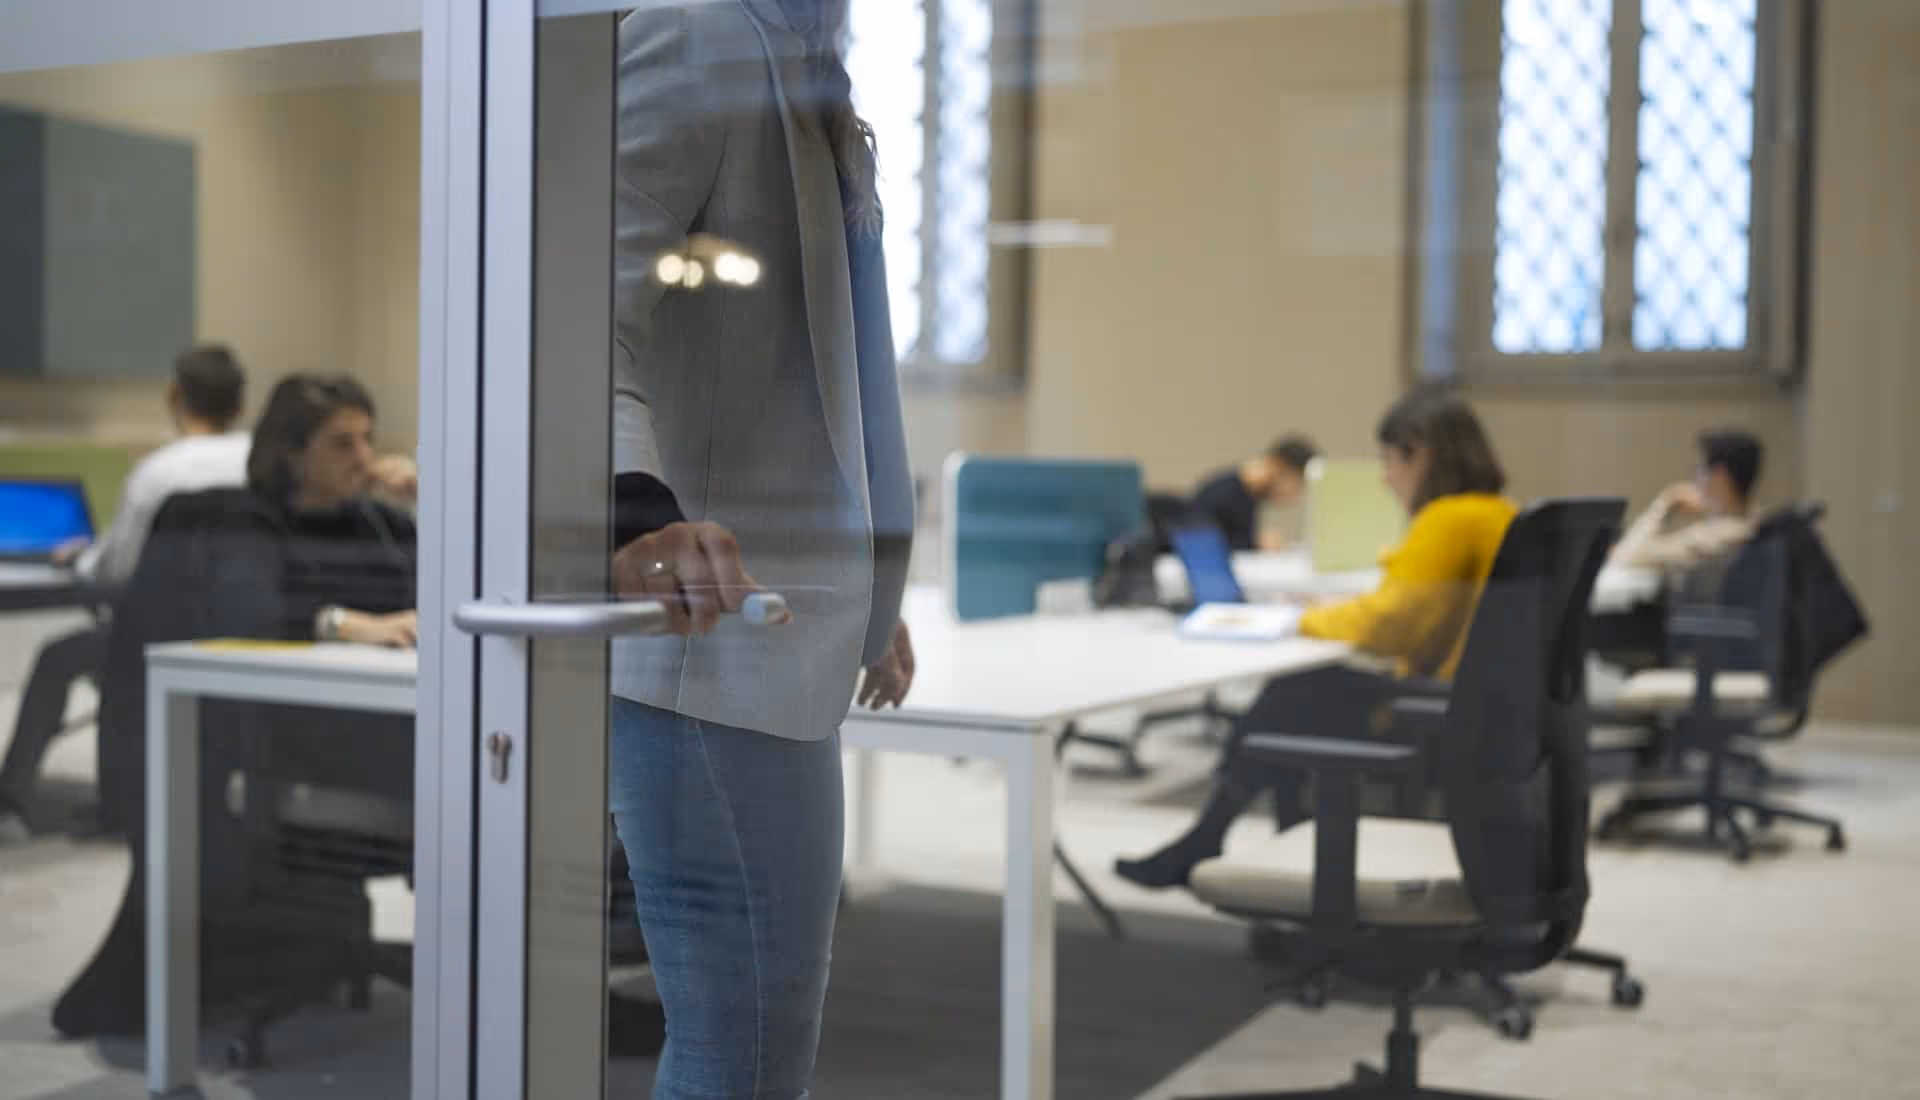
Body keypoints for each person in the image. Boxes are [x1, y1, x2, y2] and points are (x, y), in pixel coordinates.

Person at [605, 1, 916, 1094]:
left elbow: (828, 387)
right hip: (705, 641)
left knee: (757, 1040)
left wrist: (872, 589)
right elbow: (579, 322)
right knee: (741, 1048)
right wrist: (634, 509)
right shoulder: (695, 35)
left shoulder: (801, 73)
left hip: (772, 629)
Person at [1117, 387, 1515, 889]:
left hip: (1432, 711)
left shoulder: (1449, 519)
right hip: (1471, 707)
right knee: (1302, 696)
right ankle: (1259, 864)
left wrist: (1300, 621)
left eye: (1390, 461)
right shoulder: (1495, 511)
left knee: (1291, 698)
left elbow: (1388, 625)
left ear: (1422, 455)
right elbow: (1414, 613)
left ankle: (1217, 845)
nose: (1387, 477)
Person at [0, 346, 250, 833]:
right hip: (239, 633)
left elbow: (116, 574)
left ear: (174, 396)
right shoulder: (255, 463)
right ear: (239, 404)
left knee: (58, 657)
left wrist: (82, 560)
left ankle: (9, 799)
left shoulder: (159, 472)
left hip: (155, 638)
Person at [1611, 430, 1763, 602]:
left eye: (1699, 469)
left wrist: (1666, 503)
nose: (1695, 478)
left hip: (1688, 624)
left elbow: (1627, 558)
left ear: (1720, 476)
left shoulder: (1719, 537)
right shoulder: (1755, 523)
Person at [1187, 435, 1319, 551]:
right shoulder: (1223, 494)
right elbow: (1195, 542)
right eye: (1297, 485)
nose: (1295, 496)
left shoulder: (1250, 495)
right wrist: (1256, 544)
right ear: (1279, 466)